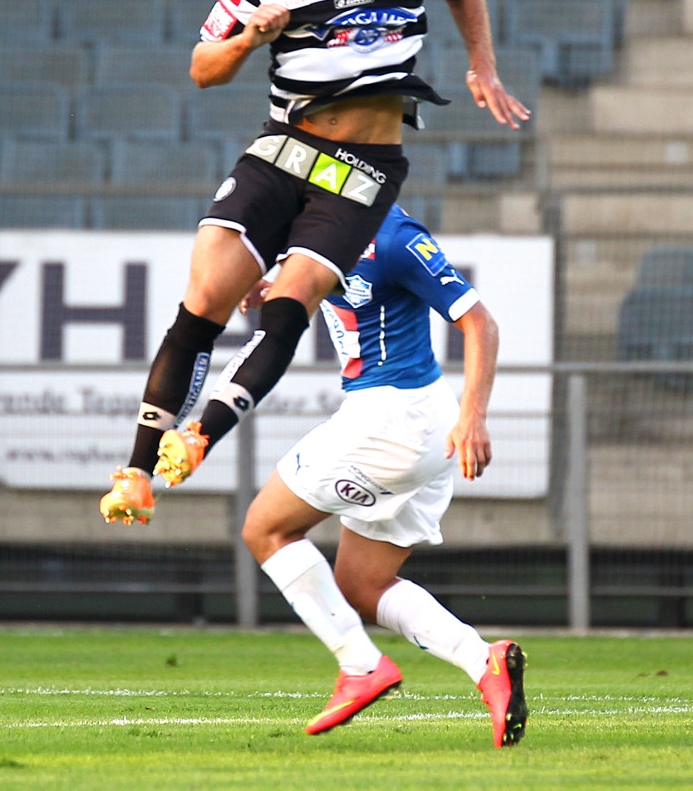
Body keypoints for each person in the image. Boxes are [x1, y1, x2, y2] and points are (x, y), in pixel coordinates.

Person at [100, 0, 530, 526]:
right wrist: (247, 38)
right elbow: (202, 70)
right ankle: (136, 470)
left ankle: (201, 434)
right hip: (283, 150)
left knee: (290, 302)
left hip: (362, 169)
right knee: (204, 298)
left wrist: (483, 64)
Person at [155, 204, 528, 744]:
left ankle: (360, 665)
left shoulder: (395, 237)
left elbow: (480, 321)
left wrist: (475, 417)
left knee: (266, 528)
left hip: (394, 418)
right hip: (417, 422)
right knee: (362, 584)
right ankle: (484, 662)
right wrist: (272, 289)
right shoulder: (325, 231)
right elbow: (316, 277)